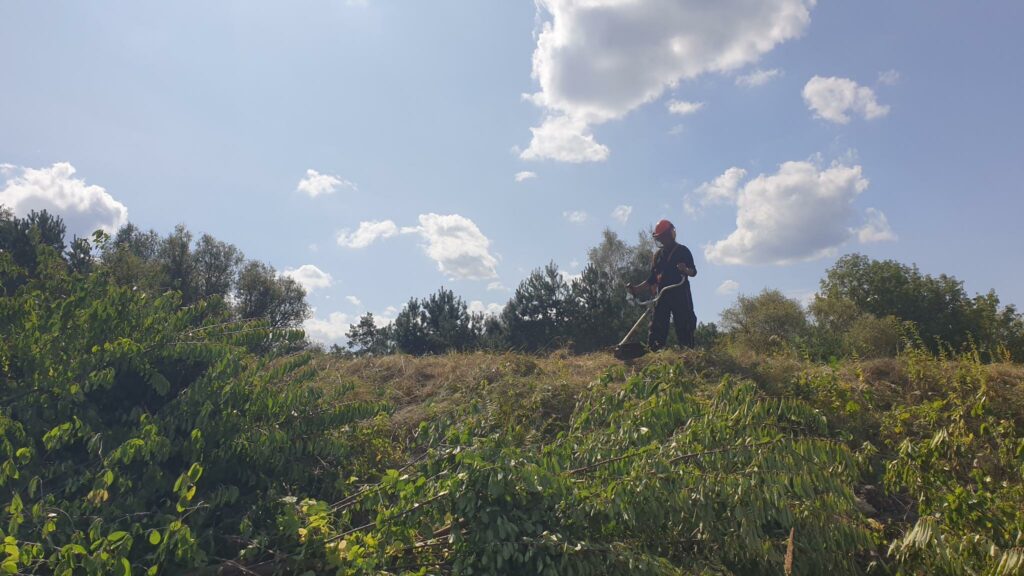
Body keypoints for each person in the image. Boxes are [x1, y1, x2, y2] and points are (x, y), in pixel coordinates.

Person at [627, 219, 697, 350]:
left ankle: (688, 353)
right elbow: (652, 279)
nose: (662, 241)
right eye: (660, 238)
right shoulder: (658, 256)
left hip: (680, 293)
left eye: (664, 237)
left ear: (671, 234)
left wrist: (685, 270)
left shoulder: (682, 251)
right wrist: (636, 289)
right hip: (662, 295)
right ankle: (654, 352)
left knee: (685, 324)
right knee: (657, 327)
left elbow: (693, 272)